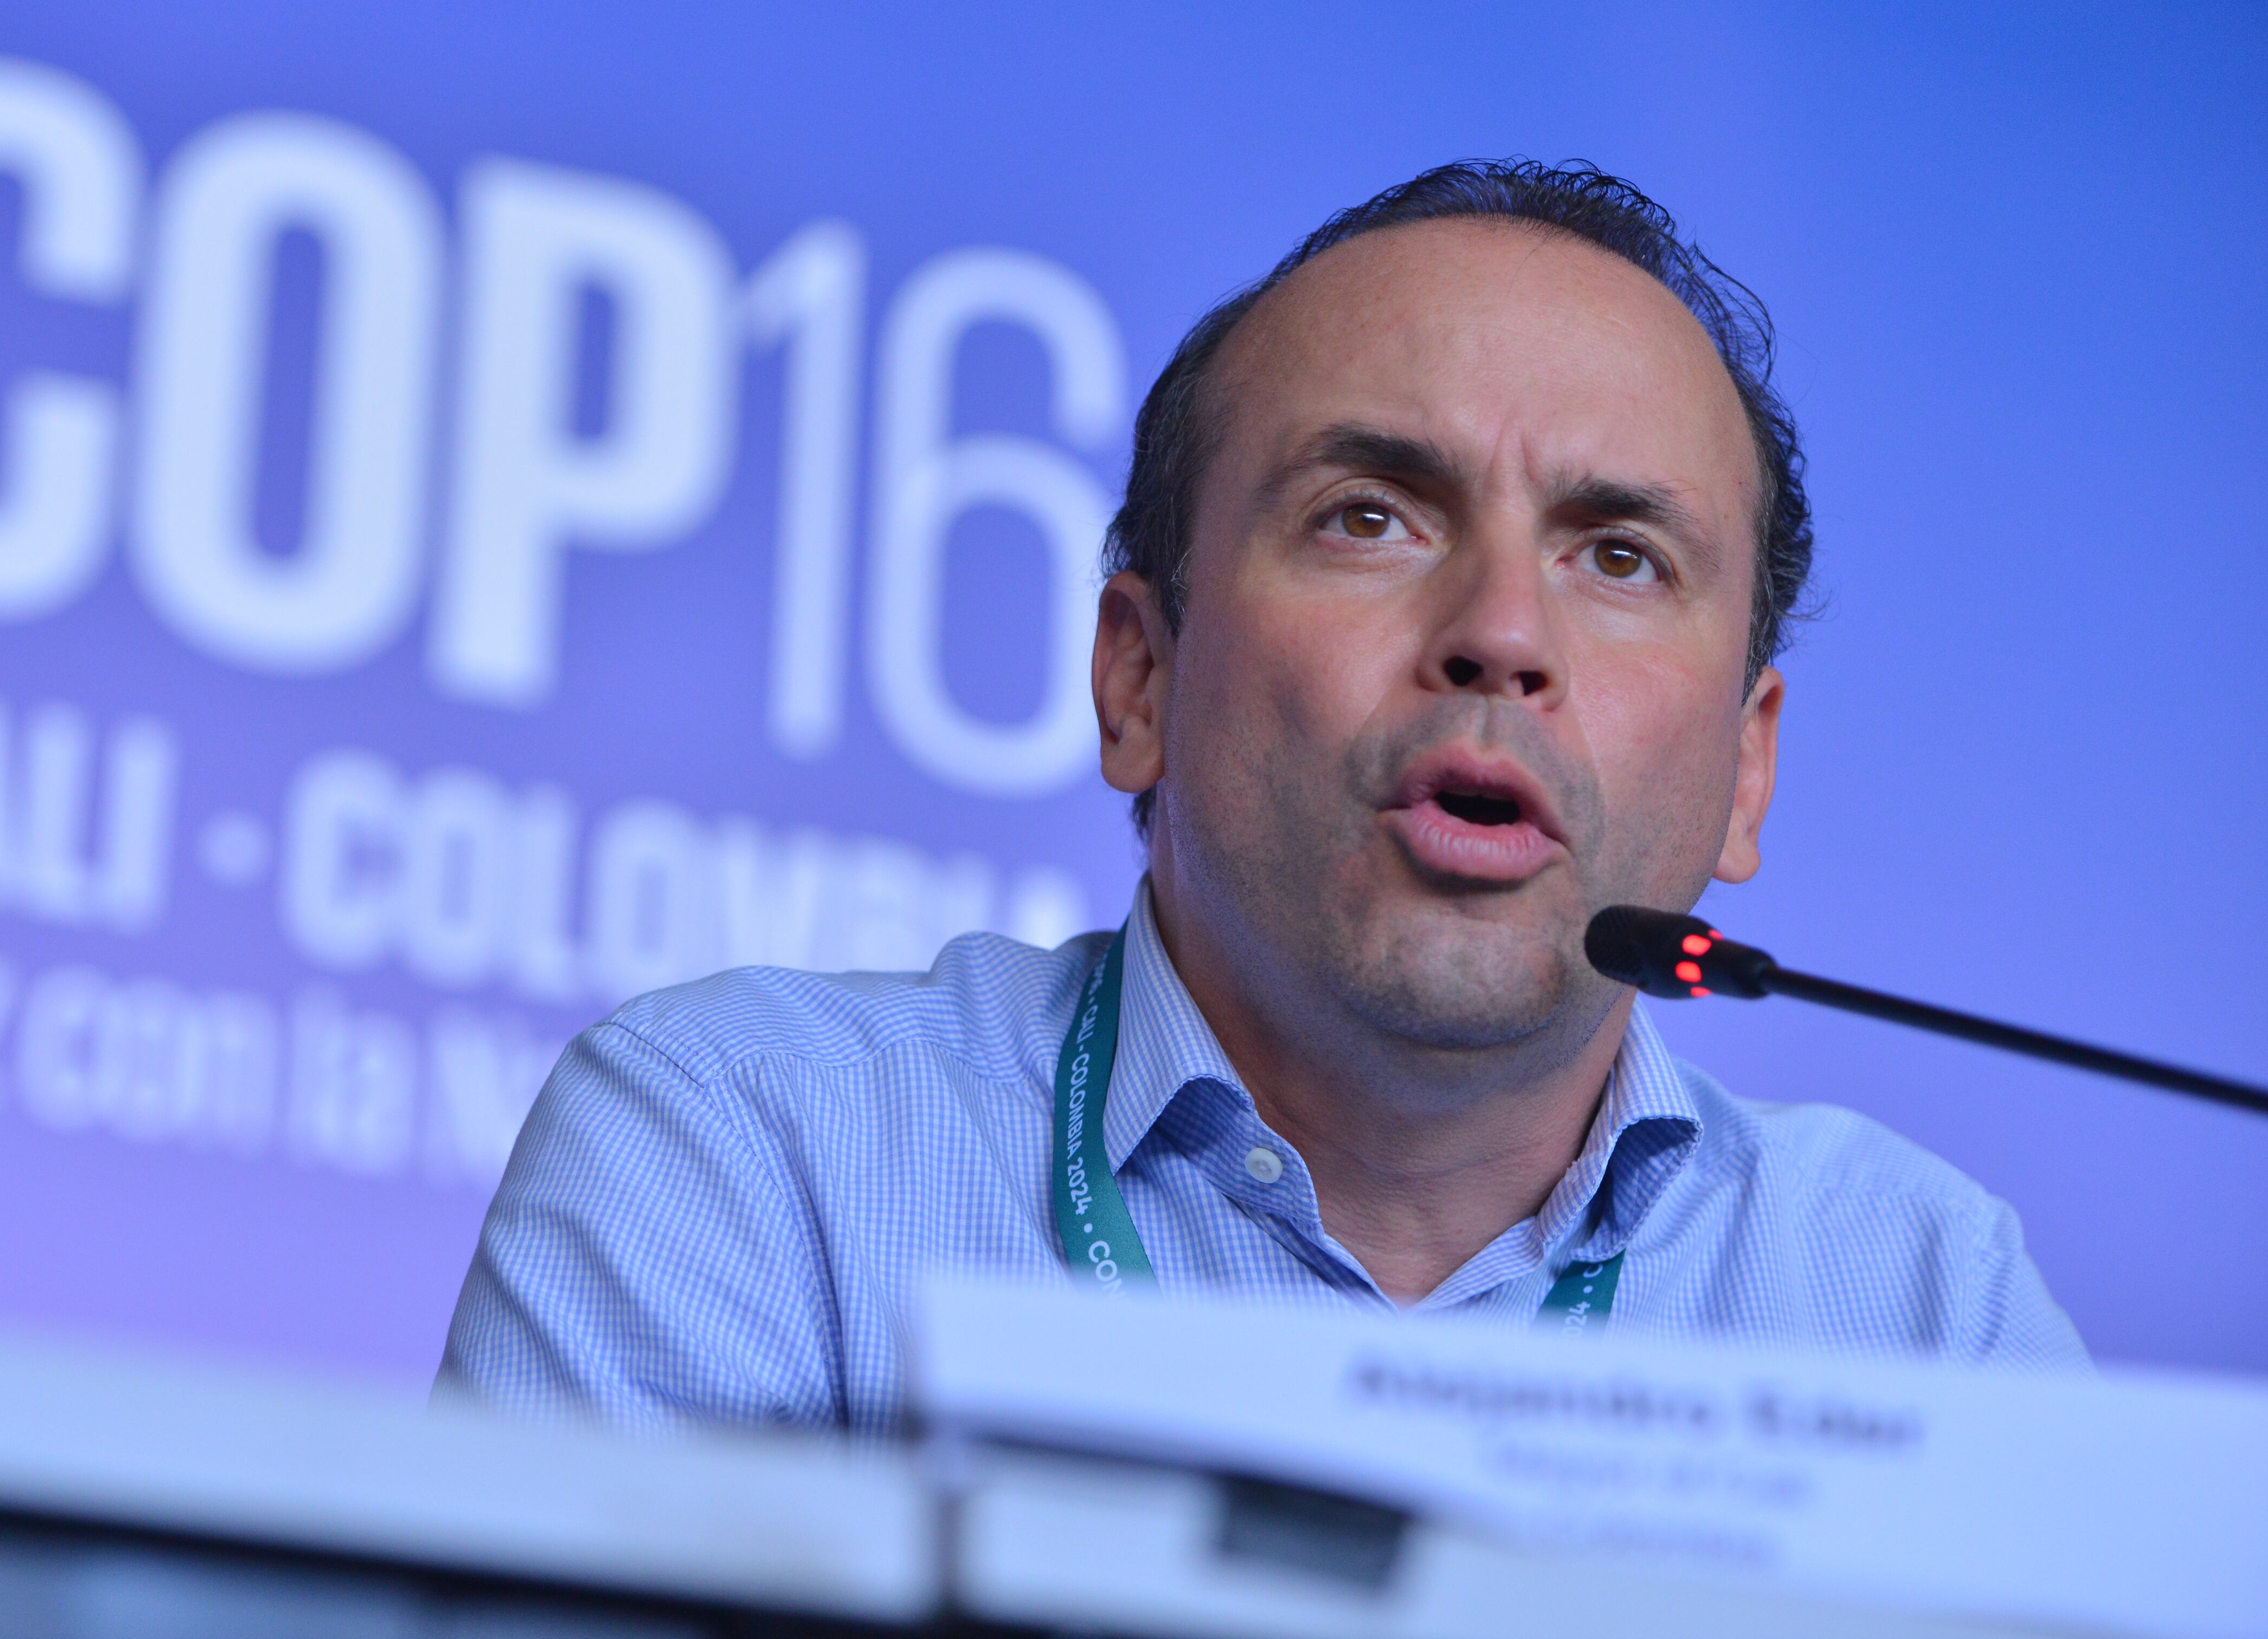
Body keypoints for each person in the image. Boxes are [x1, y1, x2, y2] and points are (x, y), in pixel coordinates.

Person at [439, 160, 2087, 1432]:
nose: (1504, 635)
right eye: (1372, 517)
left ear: (1748, 770)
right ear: (1140, 677)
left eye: (1618, 556)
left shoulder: (1923, 1313)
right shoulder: (749, 1157)